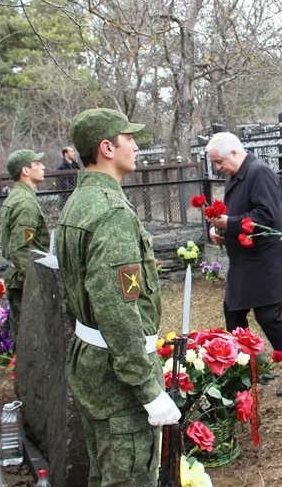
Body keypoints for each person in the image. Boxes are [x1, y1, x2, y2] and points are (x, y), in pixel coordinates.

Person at [57, 108, 181, 486]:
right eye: (130, 139)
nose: (137, 146)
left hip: (93, 362)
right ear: (107, 147)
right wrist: (147, 388)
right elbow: (118, 310)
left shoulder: (79, 203)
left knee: (105, 473)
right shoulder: (111, 213)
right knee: (129, 477)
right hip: (118, 377)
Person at [204, 132, 282, 396]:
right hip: (245, 261)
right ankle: (240, 372)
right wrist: (222, 231)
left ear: (233, 153)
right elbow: (240, 215)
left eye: (219, 161)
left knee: (269, 317)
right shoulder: (237, 174)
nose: (218, 168)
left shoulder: (259, 173)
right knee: (233, 312)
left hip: (263, 261)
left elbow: (266, 216)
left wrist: (229, 224)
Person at [0, 149, 50, 338]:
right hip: (25, 281)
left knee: (22, 332)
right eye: (37, 163)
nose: (42, 166)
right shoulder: (25, 202)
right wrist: (36, 283)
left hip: (20, 278)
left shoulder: (16, 197)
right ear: (25, 171)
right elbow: (20, 249)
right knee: (29, 337)